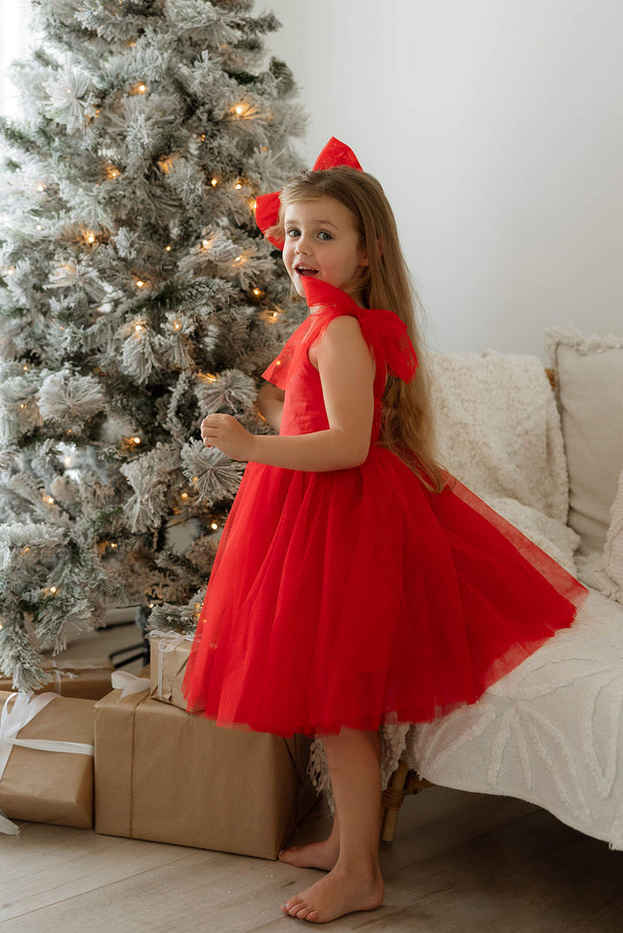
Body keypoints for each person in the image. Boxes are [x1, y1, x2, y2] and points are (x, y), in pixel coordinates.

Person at [182, 138, 588, 924]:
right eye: (293, 232)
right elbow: (310, 410)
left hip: (341, 521)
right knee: (331, 702)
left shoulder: (338, 330)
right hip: (314, 516)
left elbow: (347, 443)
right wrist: (263, 412)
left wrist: (251, 447)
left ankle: (361, 871)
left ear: (366, 255)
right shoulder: (325, 322)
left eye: (324, 234)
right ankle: (348, 842)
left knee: (341, 709)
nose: (300, 247)